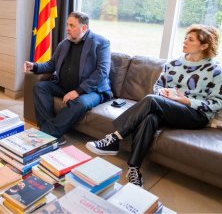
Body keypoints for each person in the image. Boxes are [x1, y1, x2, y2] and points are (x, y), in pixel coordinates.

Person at [86, 24, 222, 187]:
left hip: (195, 114)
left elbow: (217, 102)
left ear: (205, 45)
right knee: (150, 118)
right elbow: (158, 86)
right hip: (169, 108)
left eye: (190, 39)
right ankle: (134, 168)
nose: (185, 41)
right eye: (185, 38)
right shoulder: (173, 64)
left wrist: (187, 101)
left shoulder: (215, 71)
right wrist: (163, 93)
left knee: (151, 100)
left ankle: (114, 138)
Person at [25, 12, 112, 145]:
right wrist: (34, 66)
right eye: (67, 25)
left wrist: (78, 91)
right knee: (40, 87)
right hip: (64, 86)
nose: (67, 28)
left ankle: (47, 133)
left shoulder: (101, 43)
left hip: (92, 91)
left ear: (83, 28)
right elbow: (51, 64)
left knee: (80, 103)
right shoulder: (64, 43)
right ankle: (52, 134)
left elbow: (102, 72)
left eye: (72, 25)